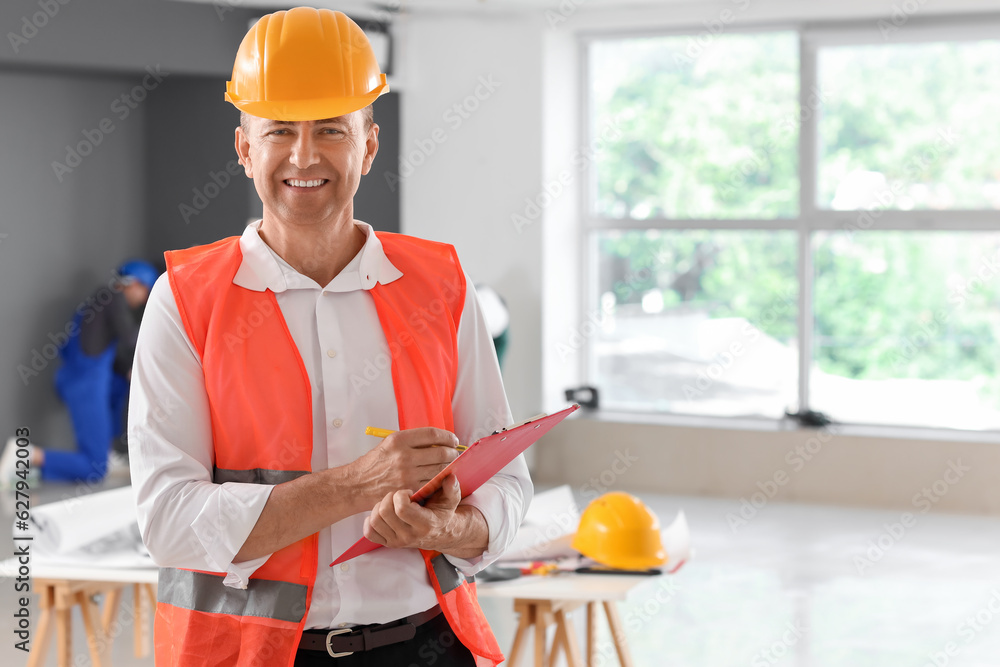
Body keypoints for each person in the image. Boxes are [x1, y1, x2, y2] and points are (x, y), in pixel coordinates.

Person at [127, 7, 531, 667]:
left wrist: (449, 527)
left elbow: (505, 478)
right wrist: (354, 485)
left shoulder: (441, 286)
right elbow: (168, 520)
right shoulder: (189, 297)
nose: (304, 155)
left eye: (331, 131)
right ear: (244, 148)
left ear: (369, 145)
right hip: (251, 655)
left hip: (425, 645)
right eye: (280, 129)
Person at [0, 260, 158, 488]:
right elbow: (131, 338)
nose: (143, 298)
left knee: (122, 386)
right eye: (144, 290)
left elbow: (105, 347)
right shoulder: (111, 297)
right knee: (95, 469)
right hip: (85, 384)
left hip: (83, 379)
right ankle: (25, 454)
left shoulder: (100, 304)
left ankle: (24, 472)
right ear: (132, 284)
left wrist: (127, 371)